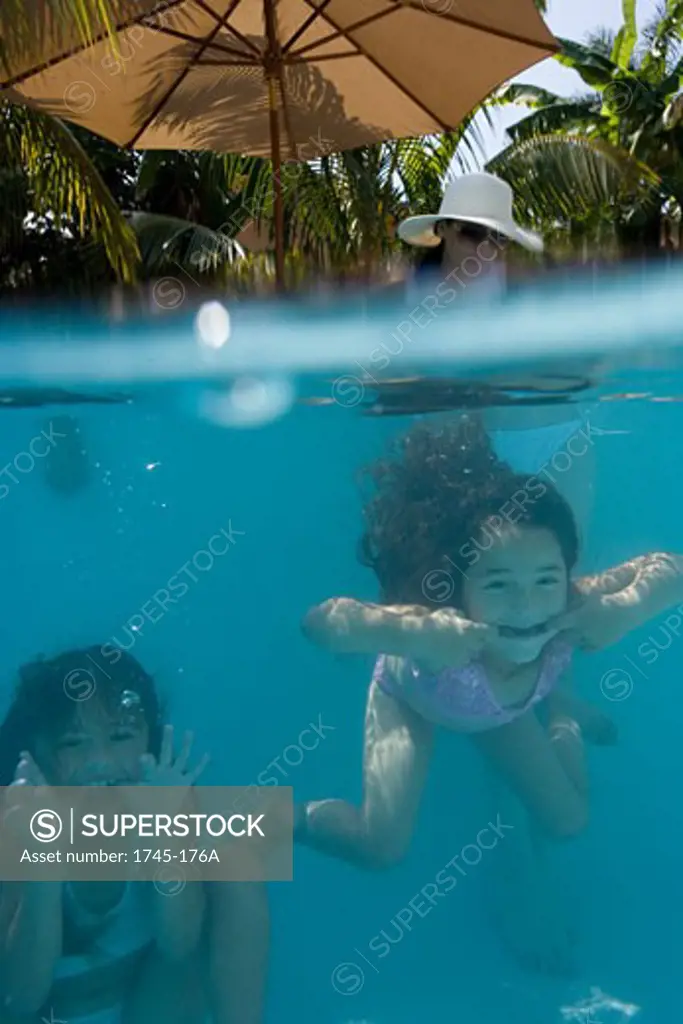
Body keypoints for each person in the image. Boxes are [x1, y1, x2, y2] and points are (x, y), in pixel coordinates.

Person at [296, 417, 682, 970]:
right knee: (380, 847)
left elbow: (672, 568)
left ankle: (562, 716)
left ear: (567, 576)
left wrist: (627, 609)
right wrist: (410, 631)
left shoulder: (573, 606)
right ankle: (230, 825)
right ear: (462, 588)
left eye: (546, 580)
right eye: (498, 585)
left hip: (500, 713)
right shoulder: (439, 632)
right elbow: (322, 624)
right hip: (415, 697)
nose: (526, 606)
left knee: (569, 823)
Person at [0, 646, 268, 1024]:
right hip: (48, 1004)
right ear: (36, 755)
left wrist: (164, 838)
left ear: (150, 740)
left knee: (236, 867)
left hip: (144, 998)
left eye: (120, 736)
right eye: (73, 743)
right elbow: (19, 998)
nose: (100, 761)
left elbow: (179, 942)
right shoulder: (16, 818)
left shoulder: (165, 796)